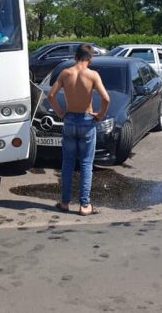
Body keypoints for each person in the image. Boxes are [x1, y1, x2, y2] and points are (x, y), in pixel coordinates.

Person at [47, 43, 110, 216]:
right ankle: (84, 205)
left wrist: (60, 113)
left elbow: (50, 95)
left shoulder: (66, 73)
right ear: (90, 58)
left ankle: (65, 202)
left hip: (69, 121)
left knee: (67, 163)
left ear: (75, 57)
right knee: (86, 164)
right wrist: (100, 115)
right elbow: (106, 99)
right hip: (86, 120)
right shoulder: (92, 75)